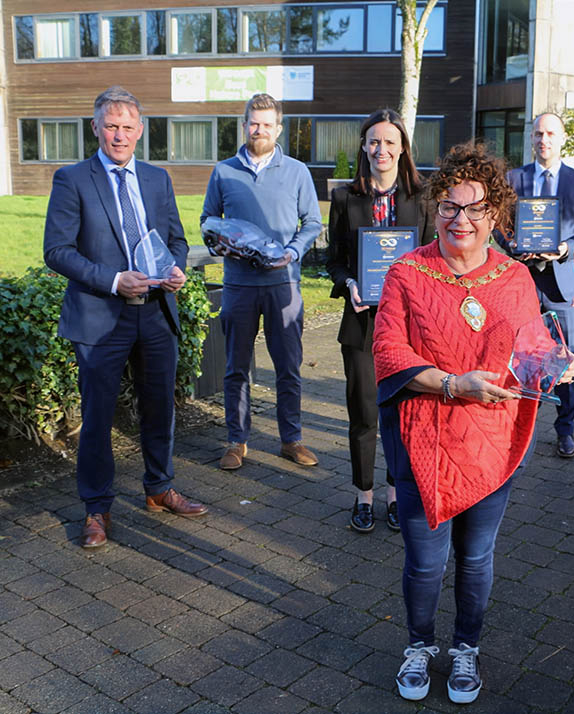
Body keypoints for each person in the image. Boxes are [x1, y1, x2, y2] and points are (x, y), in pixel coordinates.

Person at [373, 142, 574, 704]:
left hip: (490, 439)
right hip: (423, 438)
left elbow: (532, 343)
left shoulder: (514, 278)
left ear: (496, 214)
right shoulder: (406, 273)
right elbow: (388, 349)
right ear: (436, 206)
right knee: (425, 560)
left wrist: (556, 362)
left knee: (477, 556)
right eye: (449, 206)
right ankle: (419, 646)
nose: (459, 219)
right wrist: (449, 383)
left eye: (475, 208)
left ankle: (465, 648)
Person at [44, 86, 208, 549]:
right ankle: (97, 508)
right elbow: (56, 251)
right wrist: (114, 280)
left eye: (127, 126)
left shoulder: (157, 179)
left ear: (140, 130)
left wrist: (176, 268)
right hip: (101, 316)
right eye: (110, 125)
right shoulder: (72, 179)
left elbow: (176, 239)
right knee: (97, 417)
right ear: (95, 128)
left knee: (160, 408)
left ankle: (159, 488)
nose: (119, 134)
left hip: (156, 313)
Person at [201, 93, 323, 471]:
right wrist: (220, 241)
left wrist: (293, 251)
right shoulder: (223, 171)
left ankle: (292, 438)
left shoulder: (298, 171)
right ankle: (237, 441)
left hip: (283, 285)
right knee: (236, 367)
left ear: (278, 129)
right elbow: (208, 219)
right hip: (238, 285)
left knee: (288, 366)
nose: (260, 130)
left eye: (267, 124)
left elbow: (314, 223)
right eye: (254, 123)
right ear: (244, 125)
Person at [326, 109, 433, 533]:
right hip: (363, 322)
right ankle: (364, 494)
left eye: (390, 141)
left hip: (410, 327)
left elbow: (432, 260)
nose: (381, 149)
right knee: (364, 411)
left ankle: (395, 494)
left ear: (403, 147)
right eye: (373, 141)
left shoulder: (423, 198)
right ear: (363, 147)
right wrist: (350, 282)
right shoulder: (344, 199)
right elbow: (333, 262)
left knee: (403, 413)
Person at [496, 112, 574, 458]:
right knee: (520, 358)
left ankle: (565, 428)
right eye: (538, 134)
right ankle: (521, 427)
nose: (544, 140)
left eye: (551, 133)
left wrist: (567, 248)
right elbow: (499, 222)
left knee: (568, 361)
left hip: (563, 283)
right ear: (532, 138)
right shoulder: (514, 178)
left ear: (562, 138)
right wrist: (511, 244)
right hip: (522, 281)